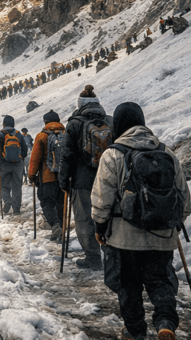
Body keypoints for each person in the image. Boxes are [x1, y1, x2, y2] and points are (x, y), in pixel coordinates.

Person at [92, 103, 191, 340]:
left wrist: (100, 226)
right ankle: (166, 321)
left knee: (129, 285)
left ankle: (135, 331)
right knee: (160, 281)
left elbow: (102, 198)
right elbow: (184, 199)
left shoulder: (113, 154)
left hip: (124, 238)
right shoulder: (166, 153)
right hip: (163, 235)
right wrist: (170, 223)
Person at [59, 85, 108, 270]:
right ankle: (110, 255)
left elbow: (67, 155)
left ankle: (93, 257)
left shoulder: (74, 123)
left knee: (85, 218)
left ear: (80, 104)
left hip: (82, 180)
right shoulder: (109, 121)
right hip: (107, 178)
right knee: (107, 216)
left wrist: (64, 181)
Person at [28, 111, 65, 241]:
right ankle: (62, 228)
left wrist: (32, 175)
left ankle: (55, 225)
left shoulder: (42, 136)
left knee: (47, 202)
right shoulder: (66, 134)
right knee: (61, 202)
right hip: (63, 176)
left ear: (45, 122)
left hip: (47, 176)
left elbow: (35, 158)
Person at [0, 115, 28, 214]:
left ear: (3, 124)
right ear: (13, 124)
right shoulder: (18, 134)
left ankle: (7, 200)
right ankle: (16, 209)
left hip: (4, 164)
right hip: (17, 164)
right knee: (17, 187)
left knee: (3, 186)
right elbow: (25, 150)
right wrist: (20, 157)